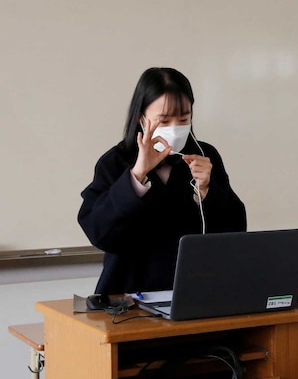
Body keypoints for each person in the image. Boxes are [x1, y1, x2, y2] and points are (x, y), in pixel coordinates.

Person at [78, 68, 247, 294]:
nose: (175, 128)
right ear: (142, 119)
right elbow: (99, 232)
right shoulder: (116, 162)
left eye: (184, 119)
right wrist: (137, 175)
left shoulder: (205, 156)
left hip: (195, 293)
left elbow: (236, 230)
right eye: (164, 120)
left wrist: (208, 191)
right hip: (129, 298)